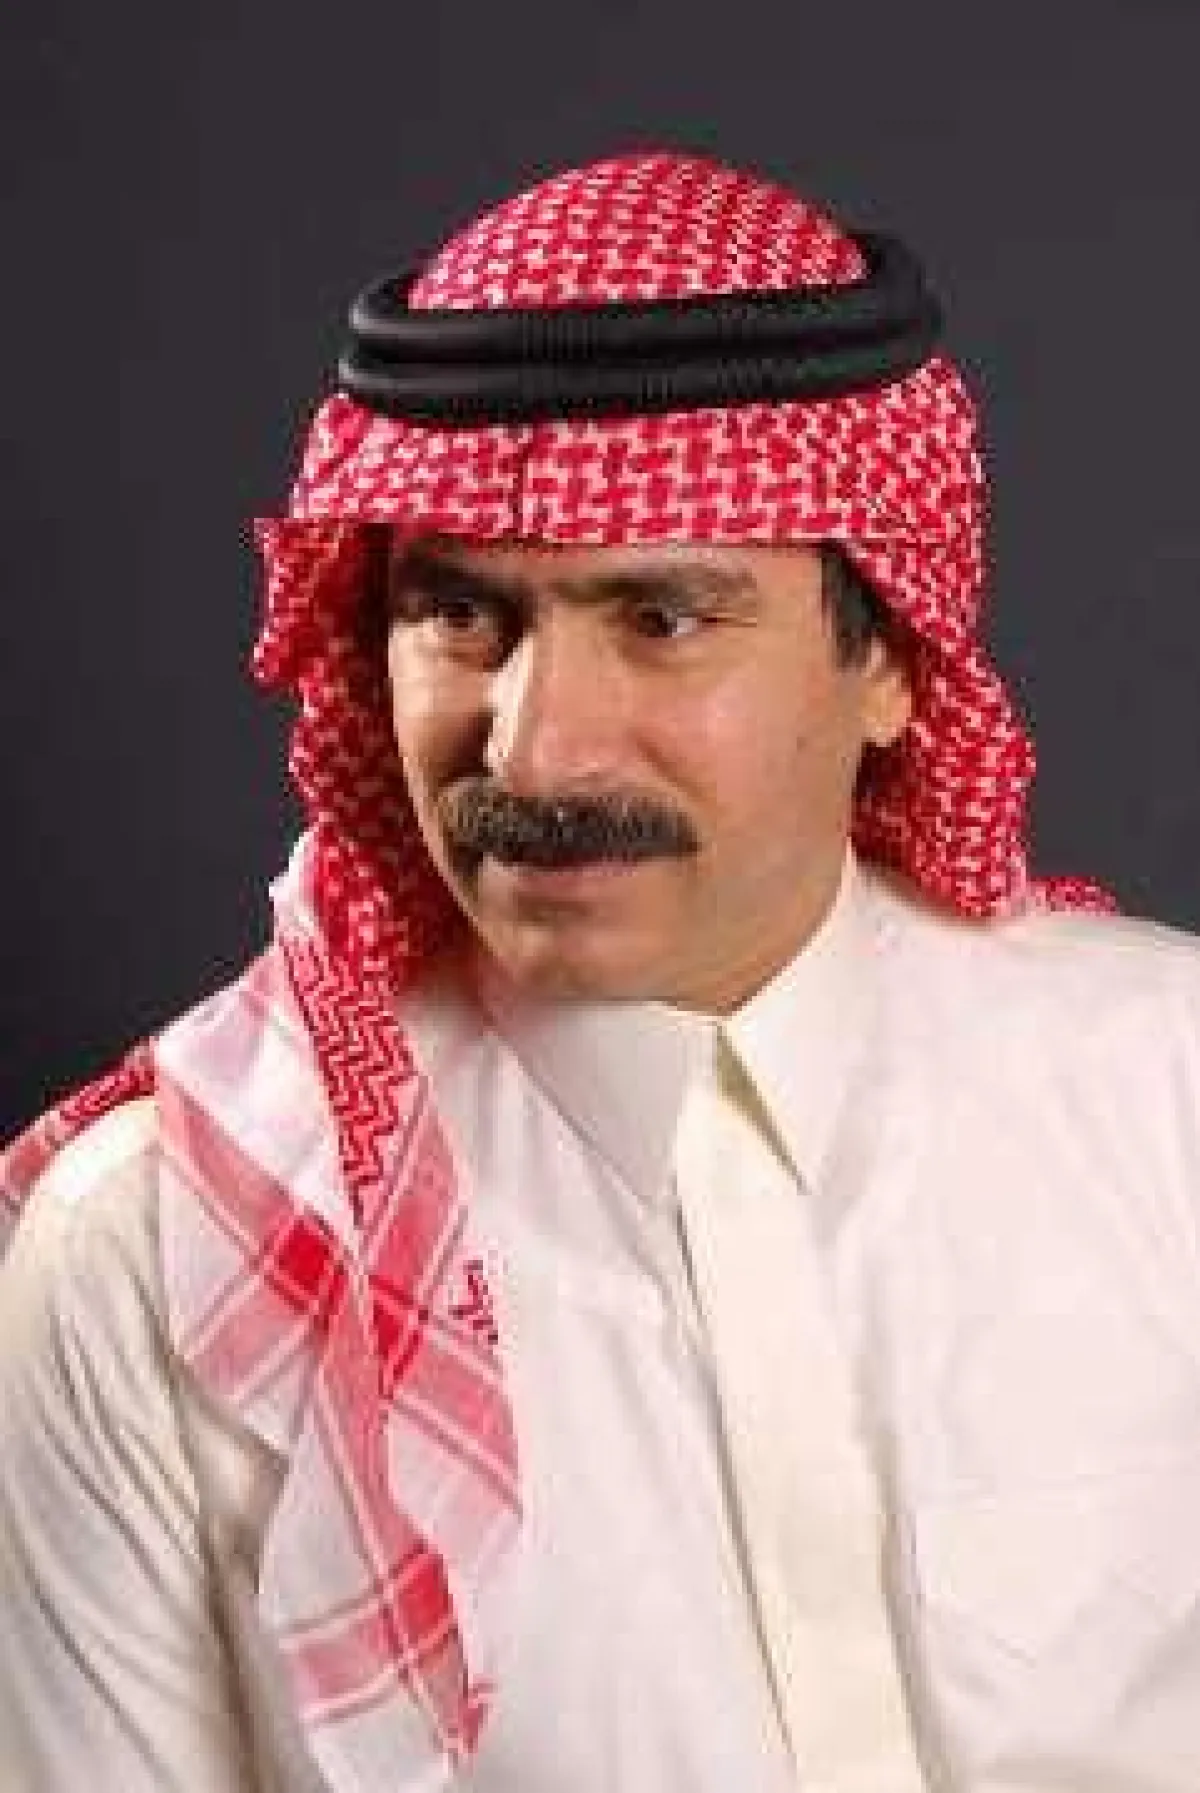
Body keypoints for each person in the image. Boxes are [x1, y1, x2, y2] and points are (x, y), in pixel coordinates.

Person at [3, 150, 1200, 1793]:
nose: (536, 747)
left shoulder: (1168, 1094)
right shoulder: (152, 1251)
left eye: (661, 618)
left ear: (890, 662)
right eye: (461, 619)